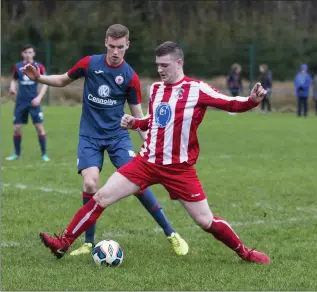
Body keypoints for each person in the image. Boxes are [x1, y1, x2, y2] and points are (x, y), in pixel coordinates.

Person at [35, 41, 270, 264]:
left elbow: (229, 102)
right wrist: (135, 123)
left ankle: (245, 252)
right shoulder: (156, 89)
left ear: (179, 63)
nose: (160, 69)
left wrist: (251, 101)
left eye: (164, 65)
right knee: (100, 198)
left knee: (205, 221)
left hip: (179, 169)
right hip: (146, 162)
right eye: (158, 64)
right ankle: (62, 243)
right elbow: (155, 120)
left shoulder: (196, 89)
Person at [22, 26, 188, 256]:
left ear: (127, 45)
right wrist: (39, 77)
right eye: (112, 46)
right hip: (89, 135)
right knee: (90, 184)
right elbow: (62, 80)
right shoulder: (89, 63)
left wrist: (151, 144)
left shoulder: (130, 77)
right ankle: (88, 243)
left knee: (138, 184)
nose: (115, 52)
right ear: (105, 43)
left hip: (117, 137)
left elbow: (138, 115)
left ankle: (171, 233)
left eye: (120, 47)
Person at [6, 44, 49, 161]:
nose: (28, 54)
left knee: (39, 127)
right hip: (20, 102)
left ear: (33, 54)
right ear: (22, 54)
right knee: (17, 128)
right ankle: (17, 155)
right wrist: (12, 88)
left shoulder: (38, 66)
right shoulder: (18, 67)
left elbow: (45, 83)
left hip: (34, 102)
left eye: (30, 52)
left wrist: (39, 97)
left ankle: (44, 154)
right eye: (26, 52)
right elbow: (14, 80)